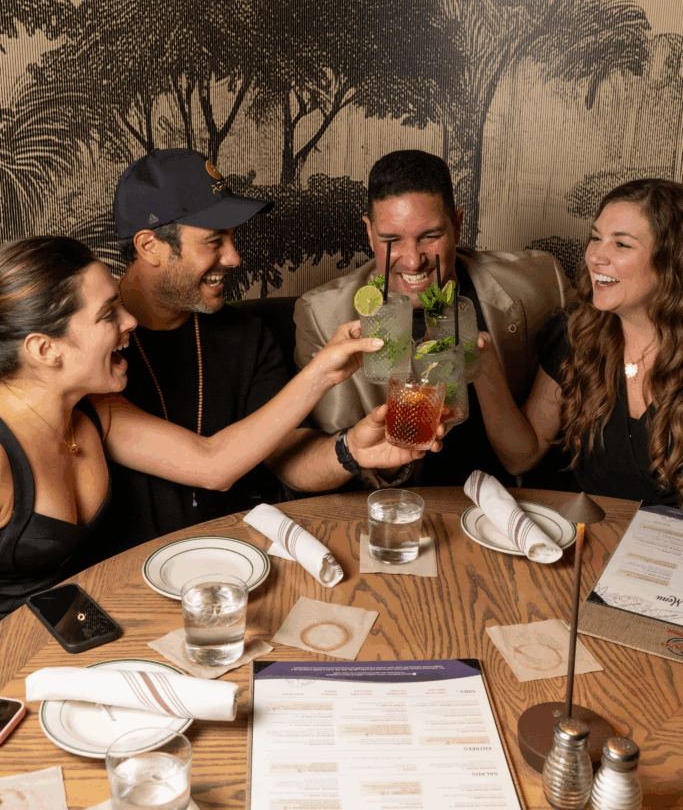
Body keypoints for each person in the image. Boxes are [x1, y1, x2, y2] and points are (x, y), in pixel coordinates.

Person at [0, 236, 436, 618]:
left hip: (79, 624)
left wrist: (324, 374)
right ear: (44, 349)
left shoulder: (97, 410)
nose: (129, 321)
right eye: (107, 314)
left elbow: (214, 464)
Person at [294, 149, 573, 486]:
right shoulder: (321, 315)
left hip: (515, 500)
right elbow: (326, 461)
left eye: (430, 236)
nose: (413, 261)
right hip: (398, 503)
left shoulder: (541, 281)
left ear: (457, 225)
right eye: (391, 240)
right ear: (369, 233)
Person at [474, 178, 683, 504]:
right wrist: (484, 366)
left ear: (671, 260)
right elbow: (521, 456)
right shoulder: (578, 332)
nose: (596, 256)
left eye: (621, 244)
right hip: (585, 530)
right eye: (596, 238)